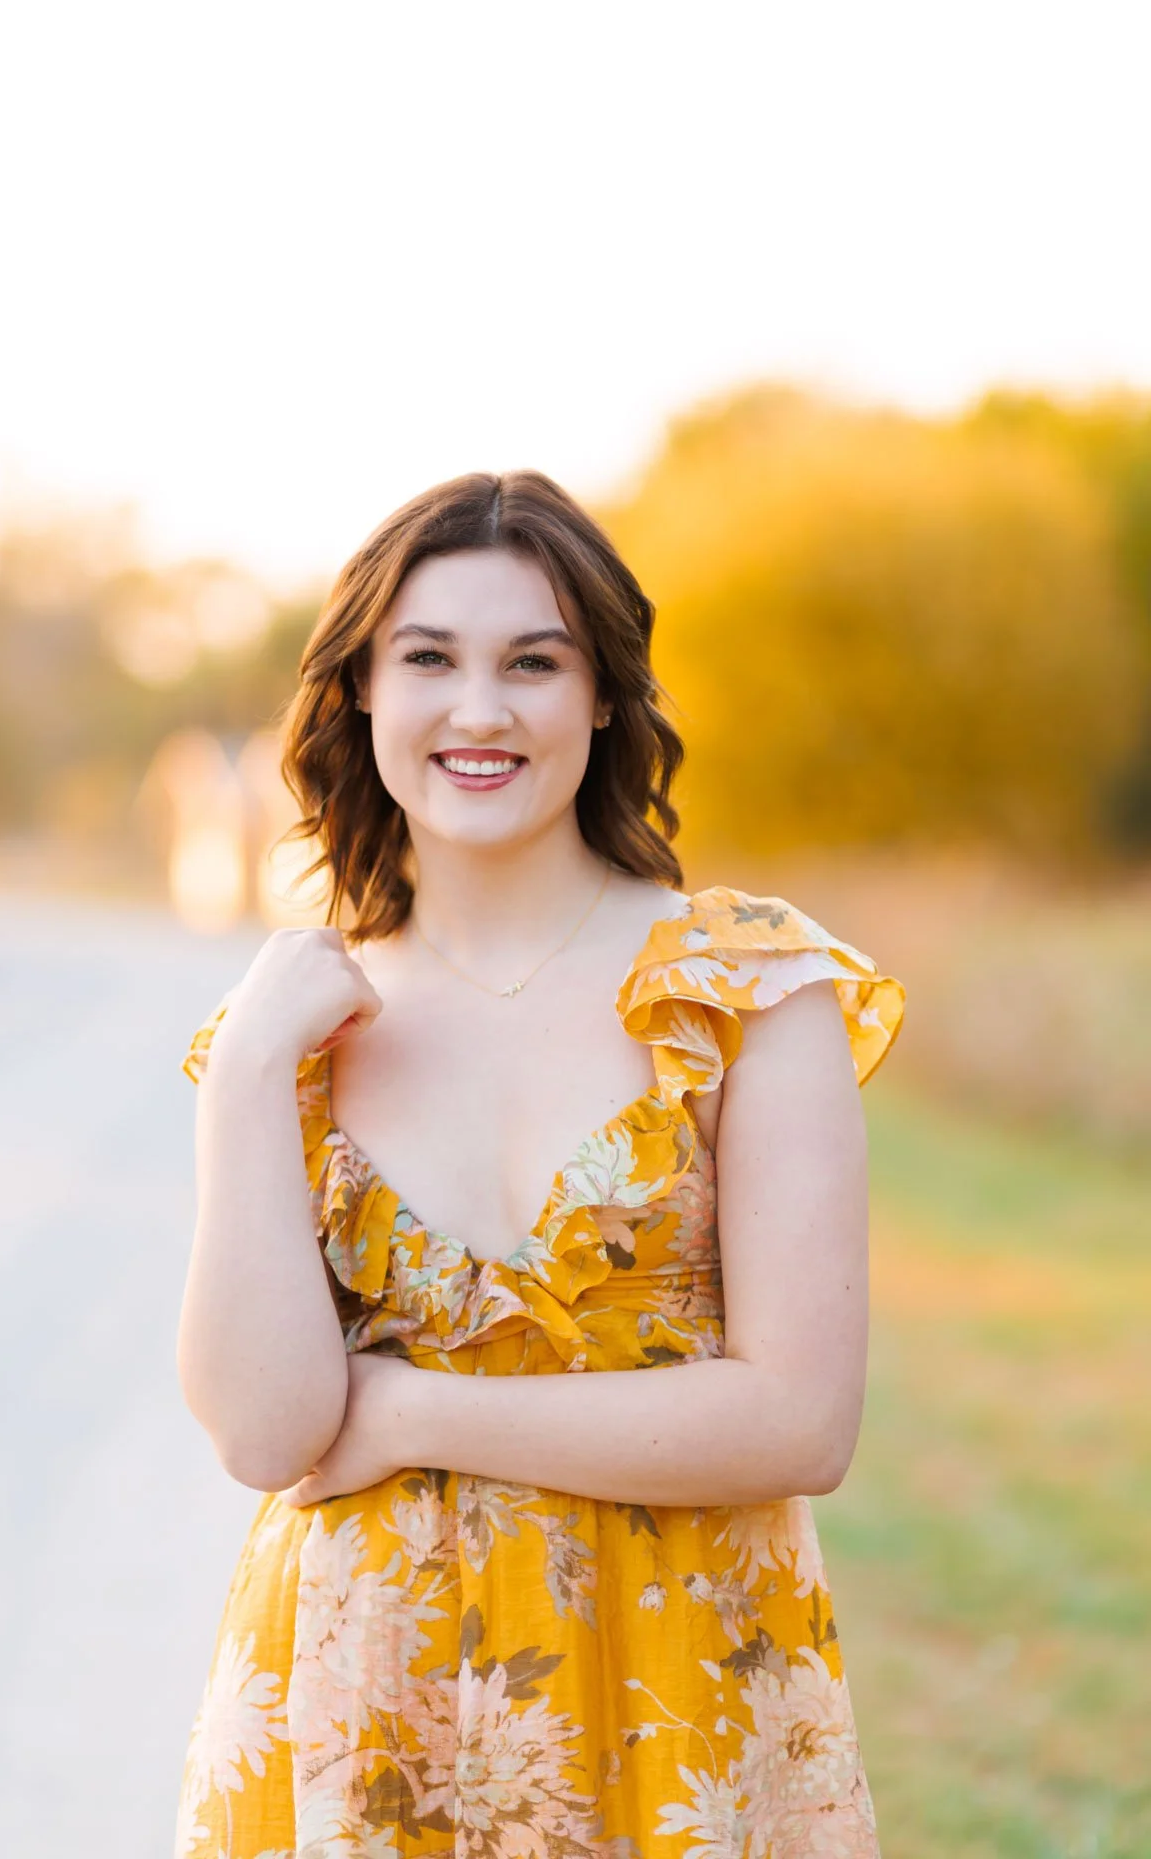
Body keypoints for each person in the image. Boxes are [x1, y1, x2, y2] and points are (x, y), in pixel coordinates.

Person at [172, 468, 906, 1859]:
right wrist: (249, 1080)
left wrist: (405, 1418)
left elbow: (801, 1421)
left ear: (606, 696)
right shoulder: (290, 1034)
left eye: (534, 662)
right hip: (350, 1714)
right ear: (364, 697)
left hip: (682, 1707)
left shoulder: (745, 992)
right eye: (429, 658)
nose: (481, 709)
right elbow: (266, 1436)